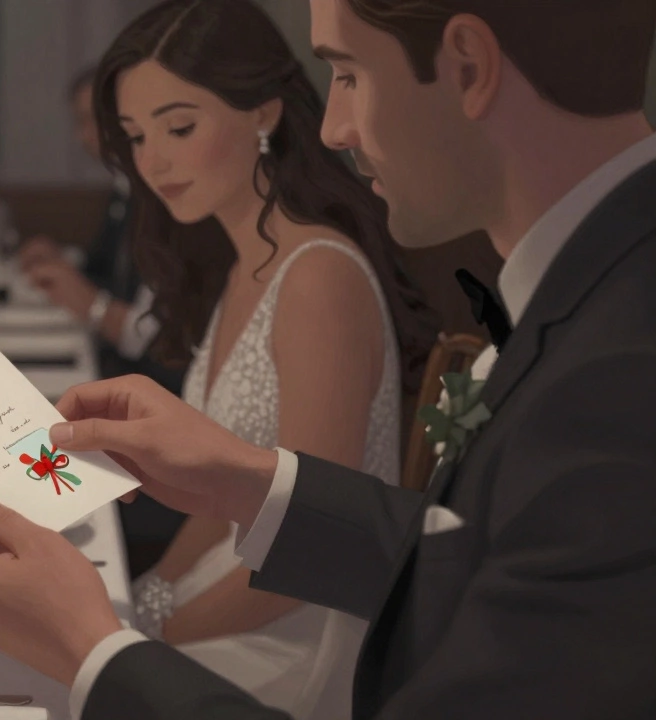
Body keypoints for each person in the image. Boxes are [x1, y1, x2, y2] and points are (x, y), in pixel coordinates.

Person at [0, 0, 656, 718]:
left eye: (347, 73)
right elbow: (469, 560)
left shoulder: (617, 376)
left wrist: (96, 649)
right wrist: (247, 477)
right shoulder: (596, 286)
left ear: (469, 68)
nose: (334, 127)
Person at [44, 2, 431, 717]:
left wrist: (147, 632)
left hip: (300, 631)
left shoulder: (317, 276)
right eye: (133, 136)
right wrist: (152, 593)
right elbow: (219, 487)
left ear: (265, 114)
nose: (151, 161)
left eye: (179, 127)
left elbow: (317, 555)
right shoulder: (239, 266)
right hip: (232, 595)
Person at [20, 67, 194, 578]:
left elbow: (151, 330)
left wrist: (90, 304)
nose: (86, 136)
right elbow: (111, 275)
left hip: (160, 415)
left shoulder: (166, 198)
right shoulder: (129, 192)